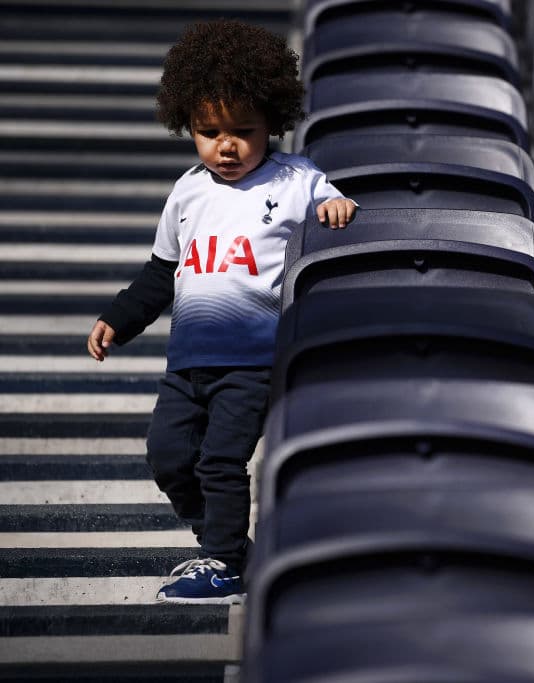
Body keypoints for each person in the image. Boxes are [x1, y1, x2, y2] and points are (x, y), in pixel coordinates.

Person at [85, 19, 358, 605]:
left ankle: (225, 565)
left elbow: (332, 201)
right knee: (168, 457)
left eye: (242, 131)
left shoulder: (295, 178)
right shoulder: (187, 190)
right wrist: (118, 319)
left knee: (220, 462)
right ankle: (229, 547)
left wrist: (336, 207)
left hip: (253, 360)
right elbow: (161, 271)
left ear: (272, 123)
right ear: (188, 124)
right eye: (209, 132)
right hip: (187, 361)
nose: (226, 146)